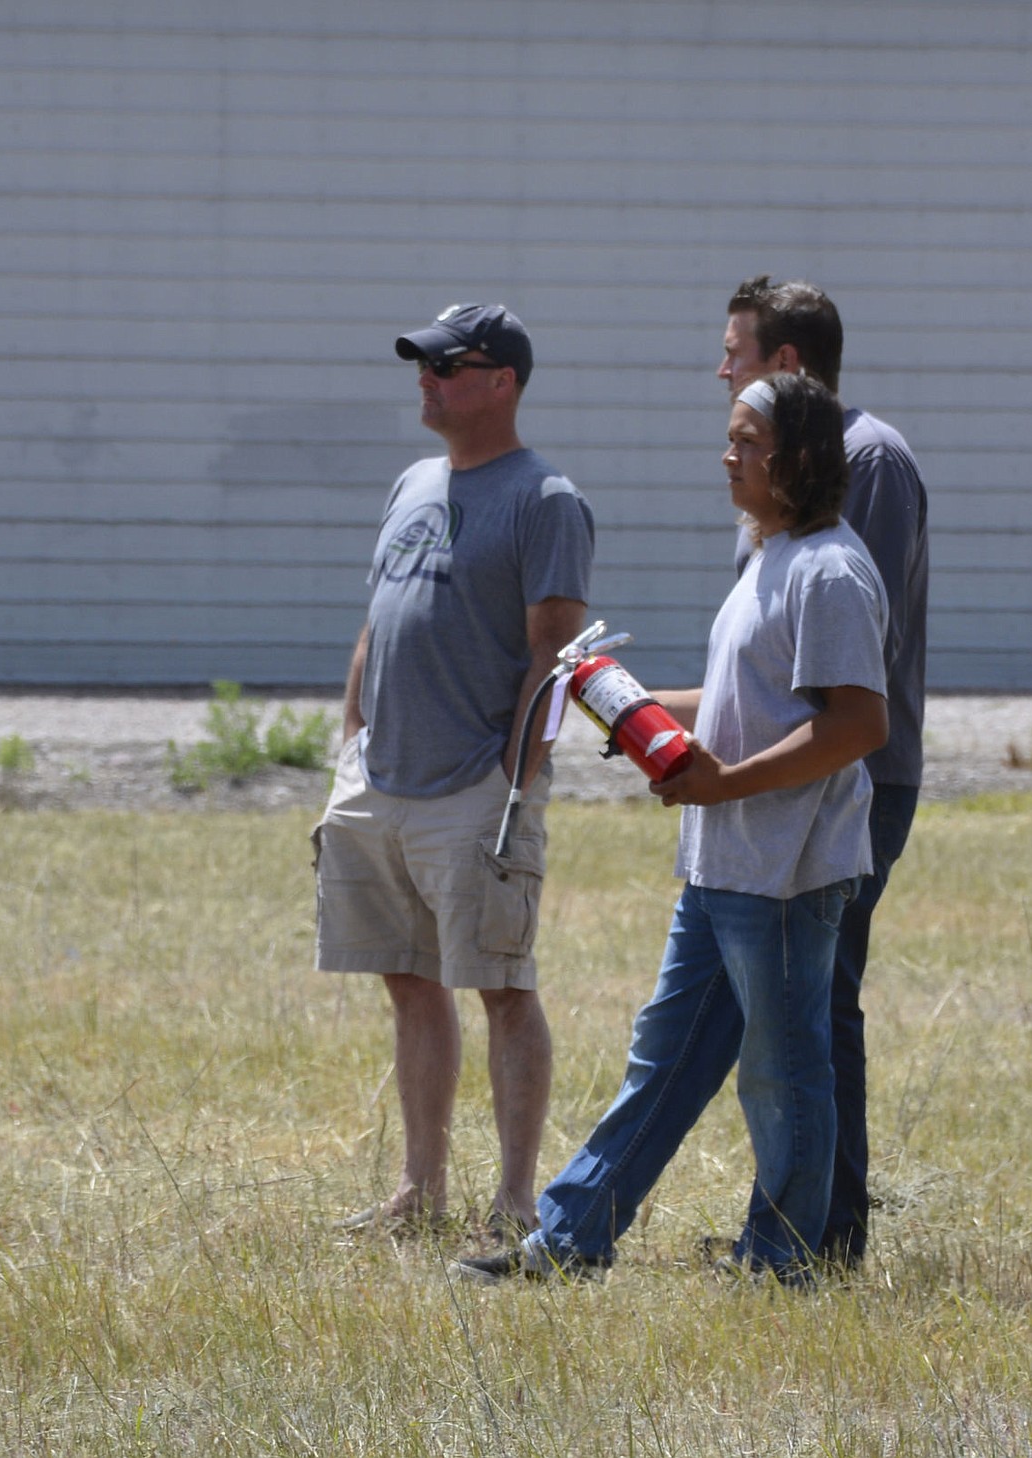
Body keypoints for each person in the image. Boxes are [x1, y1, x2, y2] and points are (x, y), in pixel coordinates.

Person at [452, 371, 888, 1285]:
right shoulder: (768, 553)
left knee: (782, 1074)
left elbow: (856, 725)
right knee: (665, 1062)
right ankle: (569, 1243)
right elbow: (745, 701)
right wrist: (619, 698)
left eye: (748, 441)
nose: (728, 456)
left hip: (784, 876)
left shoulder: (830, 570)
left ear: (801, 457)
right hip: (724, 867)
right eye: (731, 438)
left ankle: (785, 1263)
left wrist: (724, 785)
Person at [314, 302, 595, 1237]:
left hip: (476, 787)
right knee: (407, 978)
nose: (425, 380)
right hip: (379, 780)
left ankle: (516, 1204)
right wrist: (351, 738)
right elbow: (377, 620)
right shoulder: (412, 483)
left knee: (504, 989)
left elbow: (551, 658)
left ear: (503, 382)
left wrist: (514, 786)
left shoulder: (544, 500)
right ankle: (419, 1192)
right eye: (422, 365)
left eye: (448, 365)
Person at [718, 275, 929, 1266]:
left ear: (788, 365)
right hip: (784, 769)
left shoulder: (862, 463)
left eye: (737, 353)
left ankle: (824, 1234)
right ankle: (798, 1219)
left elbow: (848, 669)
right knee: (787, 999)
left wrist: (743, 766)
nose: (723, 371)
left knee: (817, 996)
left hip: (856, 775)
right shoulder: (772, 476)